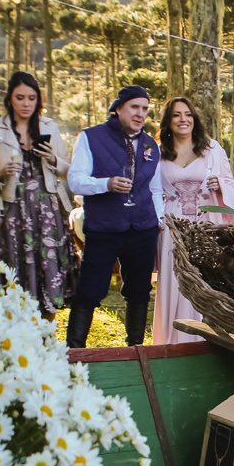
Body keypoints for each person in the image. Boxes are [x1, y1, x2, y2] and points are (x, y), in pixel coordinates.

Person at [66, 85, 166, 348]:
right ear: (118, 108)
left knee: (140, 292)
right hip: (104, 228)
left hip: (143, 228)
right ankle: (74, 353)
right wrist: (106, 184)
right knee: (89, 291)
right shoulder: (90, 137)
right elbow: (75, 180)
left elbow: (155, 188)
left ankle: (136, 351)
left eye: (145, 109)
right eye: (134, 107)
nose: (140, 113)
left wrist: (159, 219)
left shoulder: (150, 144)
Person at [0, 71, 79, 320]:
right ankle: (18, 331)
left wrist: (52, 159)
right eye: (20, 98)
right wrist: (0, 172)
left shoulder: (49, 127)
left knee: (49, 270)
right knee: (16, 269)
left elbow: (69, 171)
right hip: (13, 209)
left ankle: (47, 330)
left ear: (38, 100)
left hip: (47, 209)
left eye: (31, 98)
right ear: (10, 99)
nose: (26, 103)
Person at [153, 95, 234, 345]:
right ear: (168, 121)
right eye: (176, 115)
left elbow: (229, 183)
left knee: (204, 280)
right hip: (171, 227)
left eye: (188, 114)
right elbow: (152, 190)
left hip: (205, 225)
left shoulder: (212, 149)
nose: (183, 119)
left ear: (195, 119)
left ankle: (204, 341)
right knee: (174, 281)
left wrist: (220, 185)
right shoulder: (158, 152)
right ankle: (171, 342)